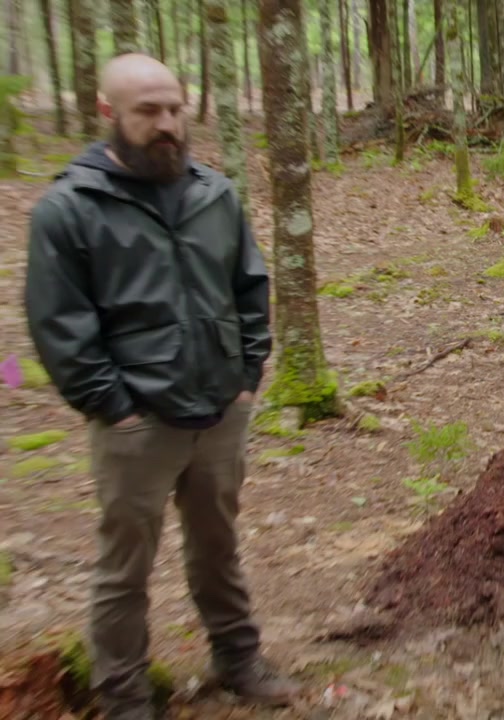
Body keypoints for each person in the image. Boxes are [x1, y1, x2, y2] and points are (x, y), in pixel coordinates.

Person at [23, 54, 298, 719]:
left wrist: (247, 377)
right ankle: (124, 697)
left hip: (220, 410)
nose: (167, 123)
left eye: (174, 108)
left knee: (218, 546)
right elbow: (59, 322)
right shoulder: (69, 208)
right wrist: (111, 406)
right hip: (136, 423)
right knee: (124, 569)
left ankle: (238, 658)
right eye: (148, 111)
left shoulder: (214, 194)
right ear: (109, 112)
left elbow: (250, 287)